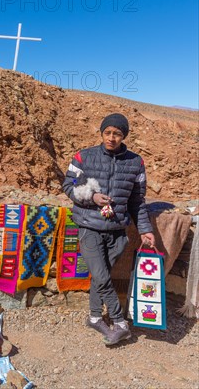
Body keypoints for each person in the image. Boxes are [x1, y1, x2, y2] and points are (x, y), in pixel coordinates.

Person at [62, 113, 155, 346]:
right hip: (89, 226)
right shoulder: (83, 157)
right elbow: (68, 185)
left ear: (124, 136)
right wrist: (91, 197)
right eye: (107, 133)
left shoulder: (136, 162)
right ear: (101, 132)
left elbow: (137, 200)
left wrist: (145, 229)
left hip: (116, 230)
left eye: (117, 134)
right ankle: (120, 323)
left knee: (100, 276)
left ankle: (94, 317)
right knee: (102, 276)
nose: (111, 138)